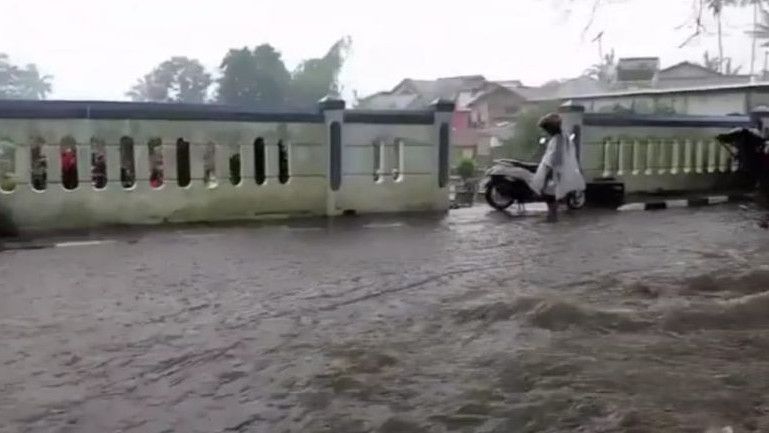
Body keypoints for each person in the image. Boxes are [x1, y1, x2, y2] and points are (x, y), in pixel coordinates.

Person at [530, 113, 586, 222]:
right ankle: (552, 219)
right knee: (550, 196)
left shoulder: (558, 139)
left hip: (553, 172)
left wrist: (549, 175)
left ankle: (552, 219)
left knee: (549, 196)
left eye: (546, 128)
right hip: (553, 171)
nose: (546, 131)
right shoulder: (561, 137)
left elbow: (555, 159)